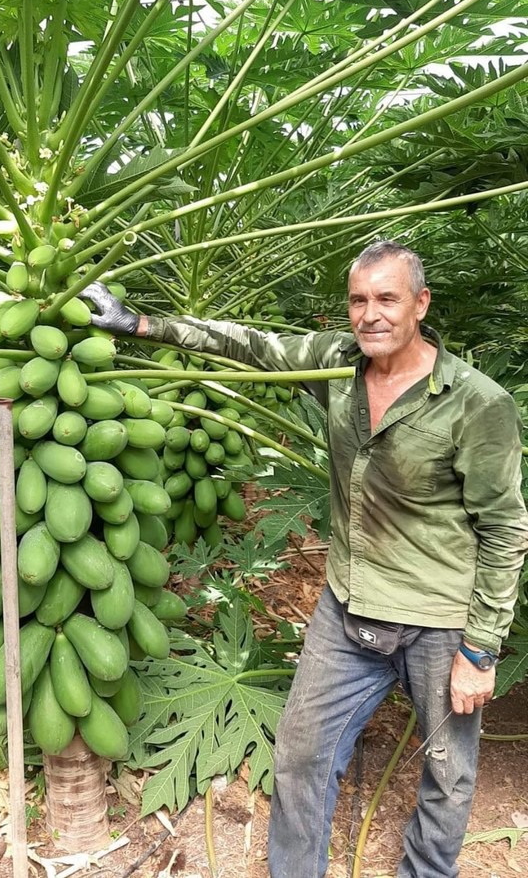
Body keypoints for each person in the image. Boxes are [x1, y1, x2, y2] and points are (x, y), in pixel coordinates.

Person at [82, 240, 528, 878]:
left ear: (421, 304)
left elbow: (506, 529)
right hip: (346, 606)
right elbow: (252, 345)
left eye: (387, 299)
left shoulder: (477, 404)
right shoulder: (334, 364)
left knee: (447, 772)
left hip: (440, 620)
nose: (369, 314)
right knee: (300, 756)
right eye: (357, 300)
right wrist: (141, 325)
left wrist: (480, 650)